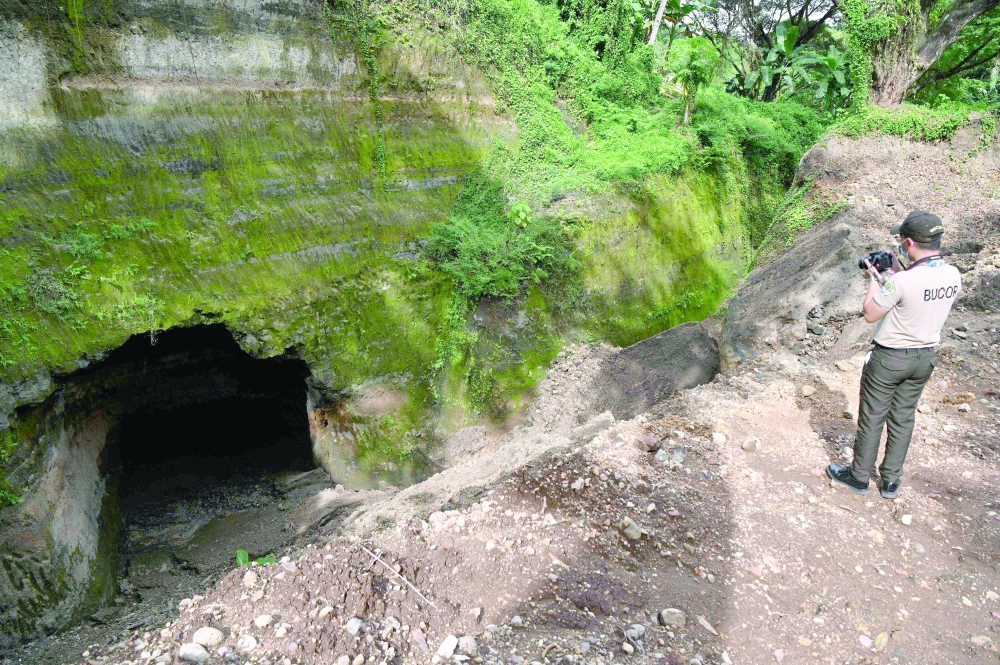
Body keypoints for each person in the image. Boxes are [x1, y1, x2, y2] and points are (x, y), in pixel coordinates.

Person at [827, 211, 962, 498]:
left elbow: (870, 313)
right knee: (903, 418)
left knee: (873, 418)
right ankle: (890, 480)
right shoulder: (952, 275)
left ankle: (859, 477)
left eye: (901, 239)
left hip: (890, 359)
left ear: (910, 242)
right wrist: (896, 270)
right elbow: (920, 286)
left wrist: (875, 277)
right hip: (924, 359)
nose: (900, 243)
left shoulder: (901, 283)